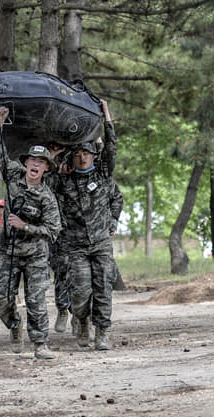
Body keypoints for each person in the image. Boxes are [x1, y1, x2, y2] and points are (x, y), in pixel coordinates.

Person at [48, 99, 123, 351]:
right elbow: (42, 179)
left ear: (93, 155)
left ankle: (102, 333)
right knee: (79, 293)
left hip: (100, 243)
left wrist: (107, 118)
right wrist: (53, 156)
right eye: (78, 153)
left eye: (87, 153)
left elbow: (111, 148)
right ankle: (81, 319)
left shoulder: (102, 174)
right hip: (74, 246)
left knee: (103, 289)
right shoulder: (62, 180)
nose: (83, 157)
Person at [0, 106, 61, 360]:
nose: (36, 165)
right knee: (1, 299)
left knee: (36, 300)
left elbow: (52, 231)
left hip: (35, 256)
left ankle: (40, 344)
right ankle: (14, 325)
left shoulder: (47, 198)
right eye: (33, 160)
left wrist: (25, 226)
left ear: (46, 169)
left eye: (41, 162)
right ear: (27, 163)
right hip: (9, 252)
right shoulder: (14, 175)